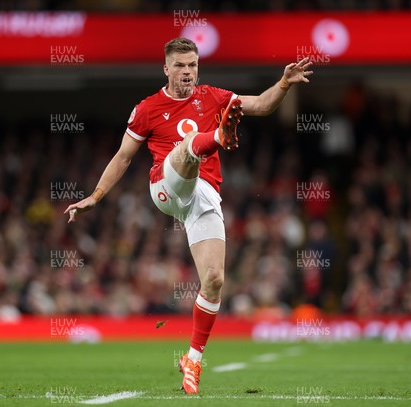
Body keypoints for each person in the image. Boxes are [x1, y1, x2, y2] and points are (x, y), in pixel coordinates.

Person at [64, 37, 312, 394]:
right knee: (186, 150)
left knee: (214, 279)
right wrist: (95, 196)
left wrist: (284, 83)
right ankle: (214, 137)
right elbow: (122, 157)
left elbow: (260, 105)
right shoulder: (148, 108)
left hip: (204, 195)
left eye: (192, 65)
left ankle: (193, 358)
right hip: (166, 186)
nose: (187, 72)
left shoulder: (211, 96)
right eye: (180, 66)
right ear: (166, 69)